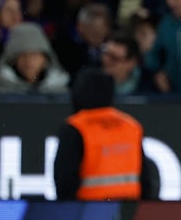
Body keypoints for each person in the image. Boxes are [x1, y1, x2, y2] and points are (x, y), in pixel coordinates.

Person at [52, 68, 151, 200]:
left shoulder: (75, 127)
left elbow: (65, 180)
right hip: (128, 209)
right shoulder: (131, 126)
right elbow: (145, 179)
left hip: (88, 210)